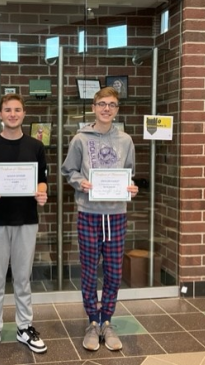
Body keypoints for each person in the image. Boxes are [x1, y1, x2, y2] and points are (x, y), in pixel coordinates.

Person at [61, 87, 138, 352]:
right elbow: (68, 170)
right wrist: (79, 182)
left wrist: (132, 187)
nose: (107, 109)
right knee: (90, 270)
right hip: (89, 213)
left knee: (115, 273)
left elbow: (128, 174)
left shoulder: (126, 140)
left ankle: (108, 320)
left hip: (116, 214)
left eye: (112, 105)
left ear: (117, 109)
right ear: (93, 107)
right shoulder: (80, 139)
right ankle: (92, 322)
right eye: (102, 104)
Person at [0, 93, 48, 359]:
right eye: (8, 110)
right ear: (0, 114)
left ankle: (24, 327)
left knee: (23, 278)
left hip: (26, 219)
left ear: (24, 114)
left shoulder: (35, 146)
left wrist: (42, 193)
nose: (13, 114)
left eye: (17, 110)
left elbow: (41, 179)